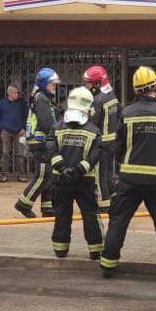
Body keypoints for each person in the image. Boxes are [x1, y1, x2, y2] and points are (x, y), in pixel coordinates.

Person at [100, 66, 156, 283]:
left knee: (119, 219)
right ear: (155, 87)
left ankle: (108, 264)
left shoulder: (126, 113)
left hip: (129, 177)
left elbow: (118, 144)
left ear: (135, 89)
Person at [47, 87, 104, 260]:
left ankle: (60, 249)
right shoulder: (94, 130)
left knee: (62, 215)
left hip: (61, 179)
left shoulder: (57, 127)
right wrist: (79, 170)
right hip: (84, 181)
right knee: (90, 216)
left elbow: (50, 150)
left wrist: (63, 169)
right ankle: (96, 250)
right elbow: (95, 155)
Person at [15, 67, 61, 219]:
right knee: (42, 176)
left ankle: (48, 208)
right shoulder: (41, 99)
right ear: (43, 84)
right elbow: (47, 123)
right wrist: (58, 134)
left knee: (49, 176)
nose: (54, 85)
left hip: (43, 142)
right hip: (41, 143)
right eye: (51, 83)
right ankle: (23, 204)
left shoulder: (42, 98)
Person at [83, 65, 120, 213]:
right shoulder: (112, 96)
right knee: (108, 172)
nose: (87, 85)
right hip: (112, 141)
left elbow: (92, 122)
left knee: (100, 174)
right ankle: (113, 198)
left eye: (90, 83)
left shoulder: (98, 100)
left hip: (102, 143)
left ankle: (103, 204)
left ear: (98, 83)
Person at [0, 84, 28, 183]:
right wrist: (2, 128)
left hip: (19, 132)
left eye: (18, 93)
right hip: (6, 132)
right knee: (5, 153)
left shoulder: (22, 103)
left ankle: (22, 175)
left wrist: (24, 128)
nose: (18, 94)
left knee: (20, 154)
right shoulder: (2, 103)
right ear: (10, 93)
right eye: (16, 92)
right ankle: (4, 175)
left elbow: (27, 116)